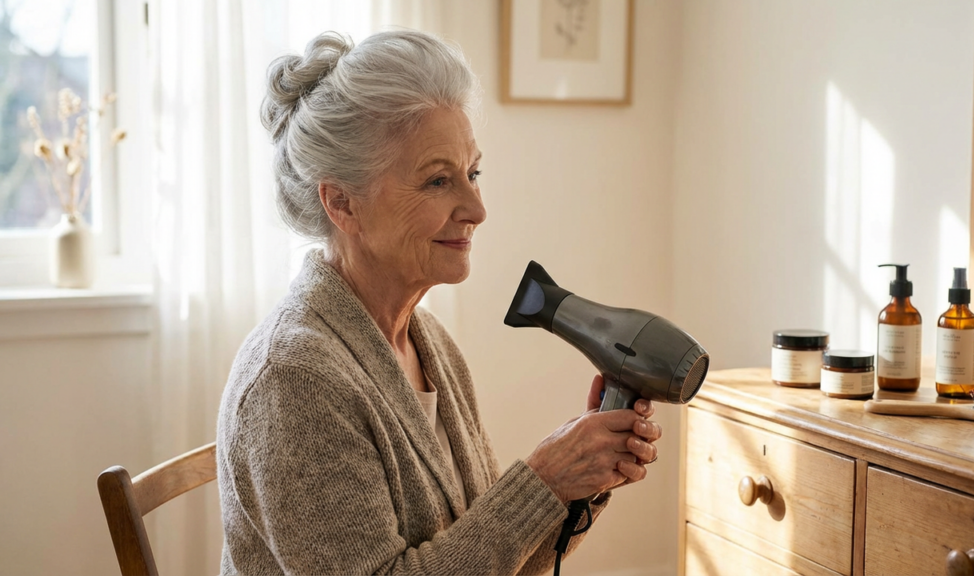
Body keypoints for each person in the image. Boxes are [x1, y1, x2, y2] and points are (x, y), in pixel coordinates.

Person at [216, 29, 663, 575]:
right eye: (437, 180)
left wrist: (577, 483)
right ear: (342, 203)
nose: (476, 208)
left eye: (472, 173)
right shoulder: (293, 379)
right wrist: (543, 481)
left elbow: (491, 559)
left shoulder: (429, 346)